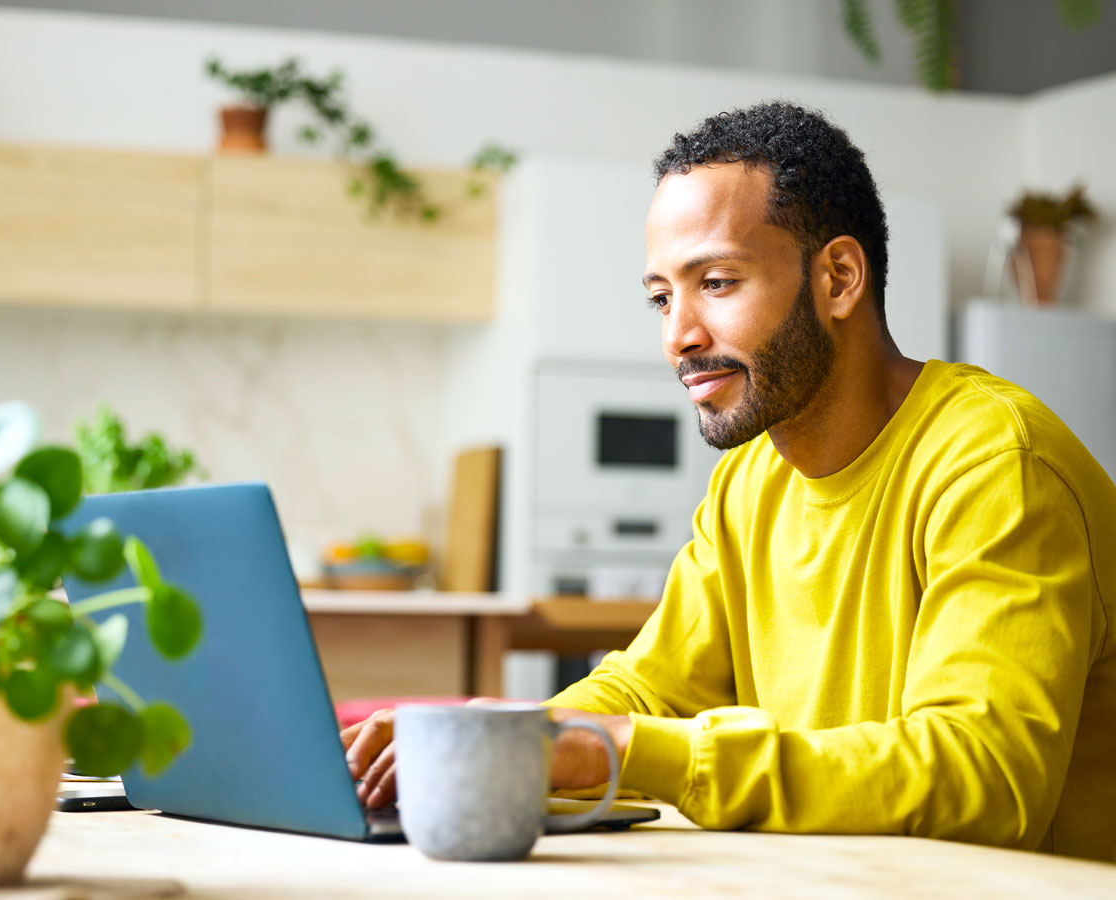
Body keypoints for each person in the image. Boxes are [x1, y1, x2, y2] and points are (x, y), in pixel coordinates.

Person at [341, 101, 1116, 861]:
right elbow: (649, 691)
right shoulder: (750, 479)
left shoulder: (995, 463)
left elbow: (983, 780)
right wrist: (497, 740)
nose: (679, 336)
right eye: (661, 297)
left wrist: (623, 751)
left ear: (840, 277)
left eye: (715, 282)